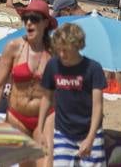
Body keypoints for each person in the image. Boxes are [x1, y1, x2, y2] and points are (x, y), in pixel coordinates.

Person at [38, 21, 106, 167]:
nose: (62, 54)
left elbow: (98, 107)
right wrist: (40, 128)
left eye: (66, 50)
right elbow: (46, 98)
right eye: (59, 50)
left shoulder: (93, 69)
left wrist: (91, 137)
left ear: (77, 46)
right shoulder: (53, 65)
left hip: (90, 130)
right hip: (63, 132)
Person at [0, 0, 54, 134]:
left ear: (45, 23)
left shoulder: (53, 52)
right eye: (26, 19)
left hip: (44, 118)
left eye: (34, 19)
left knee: (41, 154)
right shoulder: (13, 47)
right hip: (16, 115)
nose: (29, 23)